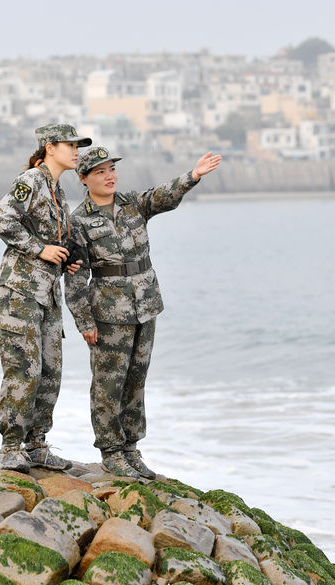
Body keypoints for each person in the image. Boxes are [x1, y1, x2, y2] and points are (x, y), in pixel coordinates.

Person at [65, 146, 222, 478]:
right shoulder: (78, 221)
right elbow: (76, 276)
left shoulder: (132, 204)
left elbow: (164, 196)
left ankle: (131, 448)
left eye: (112, 170)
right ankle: (110, 451)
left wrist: (192, 176)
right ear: (83, 178)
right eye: (100, 172)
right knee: (108, 383)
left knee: (136, 381)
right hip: (108, 313)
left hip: (145, 305)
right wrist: (83, 321)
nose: (109, 177)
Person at [0, 123, 91, 472]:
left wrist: (68, 260)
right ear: (49, 147)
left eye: (78, 146)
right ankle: (12, 446)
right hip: (20, 291)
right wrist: (40, 249)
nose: (76, 151)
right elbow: (1, 220)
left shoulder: (58, 191)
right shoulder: (31, 180)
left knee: (50, 371)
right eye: (70, 145)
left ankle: (36, 443)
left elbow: (56, 242)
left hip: (47, 293)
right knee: (24, 368)